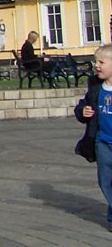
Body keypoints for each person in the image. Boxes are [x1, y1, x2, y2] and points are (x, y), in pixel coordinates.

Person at [74, 43, 112, 232]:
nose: (96, 65)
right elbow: (81, 107)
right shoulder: (96, 88)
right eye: (95, 61)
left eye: (101, 62)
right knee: (105, 180)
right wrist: (83, 111)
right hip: (102, 142)